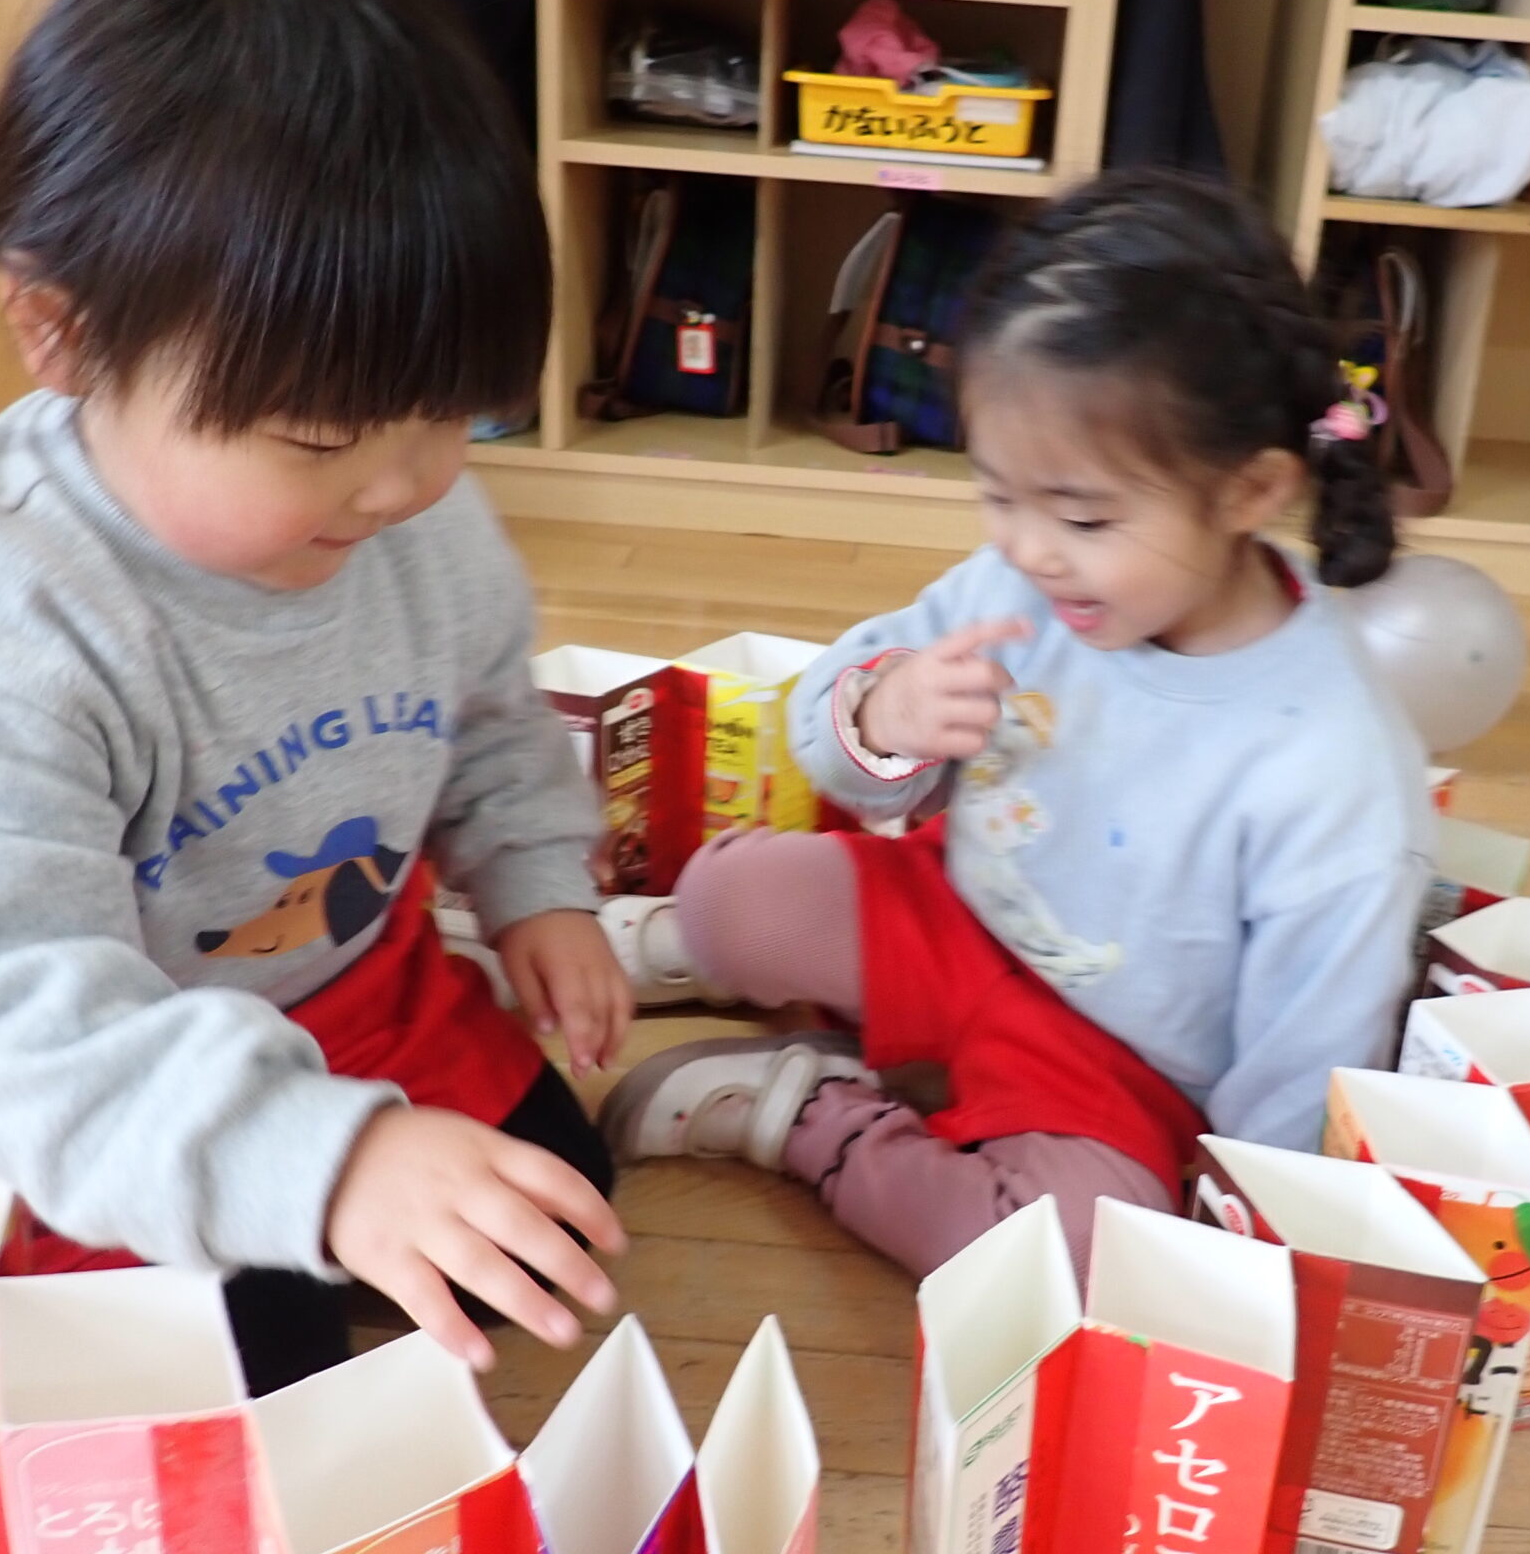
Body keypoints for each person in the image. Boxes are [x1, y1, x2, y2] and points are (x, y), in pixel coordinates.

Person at [0, 0, 629, 1394]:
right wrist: (329, 1162)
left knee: (556, 1222)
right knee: (262, 1389)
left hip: (350, 982)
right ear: (58, 333)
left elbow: (487, 708)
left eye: (451, 416)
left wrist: (538, 880)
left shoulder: (403, 503)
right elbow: (4, 1017)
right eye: (319, 440)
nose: (404, 485)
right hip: (114, 1061)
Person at [598, 170, 1433, 1278]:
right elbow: (828, 730)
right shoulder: (1023, 583)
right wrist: (885, 711)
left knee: (1060, 1255)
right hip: (953, 920)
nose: (1030, 550)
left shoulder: (1331, 762)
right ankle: (694, 949)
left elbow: (1306, 1052)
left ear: (1248, 492)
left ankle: (813, 1113)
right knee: (728, 893)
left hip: (1117, 1067)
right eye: (1000, 497)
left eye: (1082, 517)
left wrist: (1234, 1239)